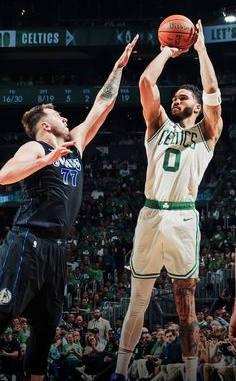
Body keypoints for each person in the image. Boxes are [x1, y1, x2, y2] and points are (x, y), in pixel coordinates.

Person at [0, 34, 138, 381]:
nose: (64, 116)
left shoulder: (74, 145)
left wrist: (118, 68)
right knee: (1, 313)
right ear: (45, 125)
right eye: (57, 114)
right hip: (28, 242)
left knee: (46, 331)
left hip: (58, 250)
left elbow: (102, 106)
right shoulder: (35, 148)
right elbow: (4, 176)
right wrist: (46, 160)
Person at [111, 19, 223, 381]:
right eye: (175, 97)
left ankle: (191, 376)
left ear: (195, 105)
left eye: (183, 97)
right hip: (151, 213)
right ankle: (119, 372)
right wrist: (166, 52)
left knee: (185, 306)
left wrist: (201, 49)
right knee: (137, 301)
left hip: (183, 219)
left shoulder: (206, 132)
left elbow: (212, 91)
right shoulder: (157, 125)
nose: (176, 99)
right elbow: (146, 83)